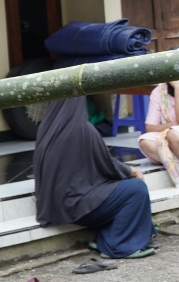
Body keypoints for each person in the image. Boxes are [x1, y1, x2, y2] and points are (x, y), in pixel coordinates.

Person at [34, 97, 156, 259]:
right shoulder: (82, 129)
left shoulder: (46, 128)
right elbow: (106, 164)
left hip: (55, 206)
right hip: (76, 206)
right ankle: (118, 246)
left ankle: (112, 238)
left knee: (120, 187)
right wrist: (130, 171)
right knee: (136, 189)